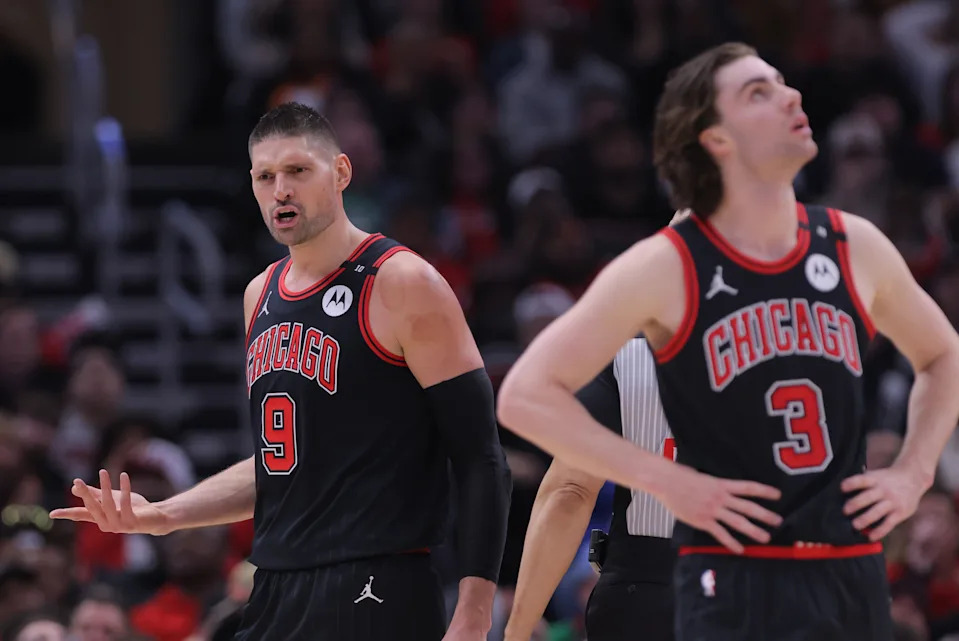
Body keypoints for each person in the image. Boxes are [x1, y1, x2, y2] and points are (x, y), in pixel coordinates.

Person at [497, 42, 959, 641]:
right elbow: (527, 399)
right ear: (714, 138)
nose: (792, 96)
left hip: (844, 571)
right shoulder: (664, 268)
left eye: (782, 83)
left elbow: (944, 353)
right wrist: (670, 482)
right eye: (758, 92)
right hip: (716, 575)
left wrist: (913, 472)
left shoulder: (853, 244)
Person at [51, 102, 512, 641]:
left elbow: (482, 458)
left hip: (376, 581)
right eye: (266, 176)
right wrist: (163, 514)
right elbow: (279, 466)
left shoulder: (402, 281)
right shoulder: (259, 294)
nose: (281, 190)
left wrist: (475, 613)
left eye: (298, 171)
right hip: (275, 585)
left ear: (341, 173)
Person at [504, 335, 676, 641]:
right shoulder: (785, 353)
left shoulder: (629, 356)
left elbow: (569, 493)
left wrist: (518, 631)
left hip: (643, 593)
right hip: (754, 580)